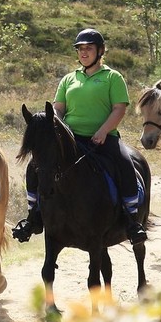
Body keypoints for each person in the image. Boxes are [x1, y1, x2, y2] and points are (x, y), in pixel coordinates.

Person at [12, 28, 146, 245]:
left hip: (105, 138)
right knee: (35, 166)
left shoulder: (112, 77)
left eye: (89, 49)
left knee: (125, 164)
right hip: (72, 140)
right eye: (80, 49)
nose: (84, 53)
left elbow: (119, 109)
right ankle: (33, 217)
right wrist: (55, 127)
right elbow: (58, 110)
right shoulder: (68, 79)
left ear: (100, 51)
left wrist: (103, 131)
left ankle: (132, 221)